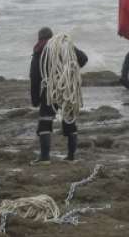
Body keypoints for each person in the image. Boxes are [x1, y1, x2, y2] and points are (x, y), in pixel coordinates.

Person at [30, 27, 88, 163]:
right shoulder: (65, 47)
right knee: (69, 119)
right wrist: (69, 70)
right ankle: (71, 157)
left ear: (40, 38)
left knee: (45, 122)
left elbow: (34, 76)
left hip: (50, 91)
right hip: (67, 89)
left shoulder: (39, 51)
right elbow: (84, 58)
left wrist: (35, 99)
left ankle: (45, 158)